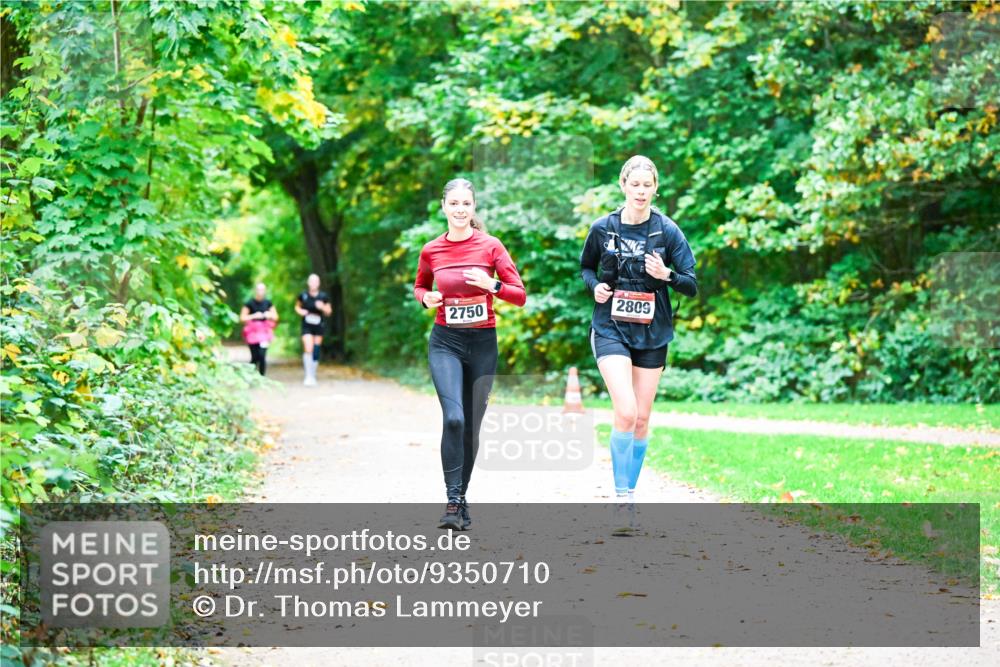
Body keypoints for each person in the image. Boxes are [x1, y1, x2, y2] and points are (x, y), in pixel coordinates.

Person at [580, 155, 698, 529]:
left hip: (652, 331)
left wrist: (667, 275)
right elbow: (586, 267)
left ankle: (629, 493)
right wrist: (594, 286)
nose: (641, 192)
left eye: (648, 185)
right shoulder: (604, 228)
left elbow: (691, 283)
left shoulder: (668, 231)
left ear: (655, 189)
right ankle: (620, 497)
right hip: (610, 326)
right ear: (623, 186)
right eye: (636, 185)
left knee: (643, 419)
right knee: (627, 411)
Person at [413, 178, 526, 530]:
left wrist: (490, 285)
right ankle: (452, 501)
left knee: (471, 427)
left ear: (473, 207)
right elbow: (420, 285)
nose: (460, 210)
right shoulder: (432, 250)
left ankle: (461, 498)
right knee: (454, 419)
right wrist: (425, 298)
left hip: (482, 344)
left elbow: (519, 294)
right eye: (454, 204)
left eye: (466, 204)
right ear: (444, 207)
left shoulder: (491, 246)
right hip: (445, 342)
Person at [294, 274, 332, 386]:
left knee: (316, 350)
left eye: (315, 281)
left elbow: (329, 311)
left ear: (318, 283)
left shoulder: (323, 296)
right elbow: (297, 307)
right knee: (308, 348)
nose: (313, 283)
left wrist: (322, 307)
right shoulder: (303, 295)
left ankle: (313, 374)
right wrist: (301, 312)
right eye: (311, 281)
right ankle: (308, 376)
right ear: (308, 282)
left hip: (318, 324)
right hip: (307, 324)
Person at [240, 282, 278, 376]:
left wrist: (269, 315)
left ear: (265, 291)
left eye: (262, 289)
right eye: (259, 289)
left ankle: (262, 377)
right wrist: (254, 316)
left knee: (262, 355)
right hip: (252, 333)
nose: (260, 291)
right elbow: (242, 318)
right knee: (255, 356)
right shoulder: (249, 303)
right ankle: (250, 375)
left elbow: (276, 317)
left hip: (264, 333)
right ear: (255, 291)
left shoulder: (268, 303)